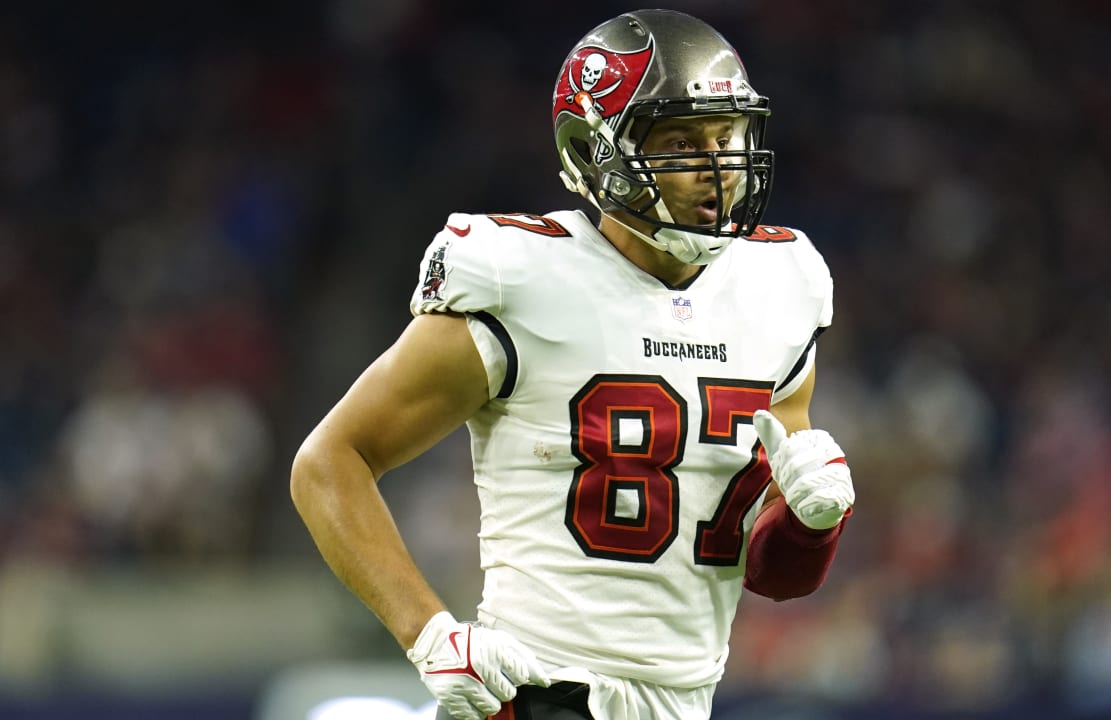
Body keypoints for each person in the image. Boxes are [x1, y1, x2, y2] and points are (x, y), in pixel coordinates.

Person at [291, 8, 856, 720]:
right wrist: (431, 634)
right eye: (682, 141)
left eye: (728, 135)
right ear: (596, 153)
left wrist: (813, 524)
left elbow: (773, 576)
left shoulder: (783, 285)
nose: (718, 167)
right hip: (533, 693)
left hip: (687, 703)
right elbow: (329, 463)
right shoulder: (521, 278)